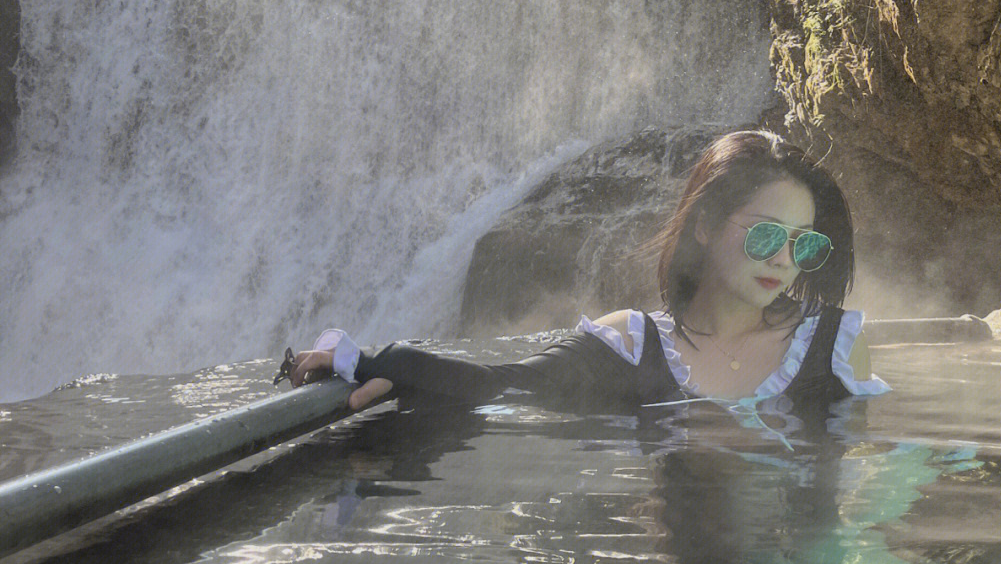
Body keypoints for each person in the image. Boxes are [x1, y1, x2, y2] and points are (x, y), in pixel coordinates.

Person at [287, 129, 888, 414]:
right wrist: (381, 362)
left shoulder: (833, 347)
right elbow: (504, 384)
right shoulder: (632, 344)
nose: (783, 259)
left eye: (802, 246)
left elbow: (882, 480)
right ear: (703, 225)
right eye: (764, 234)